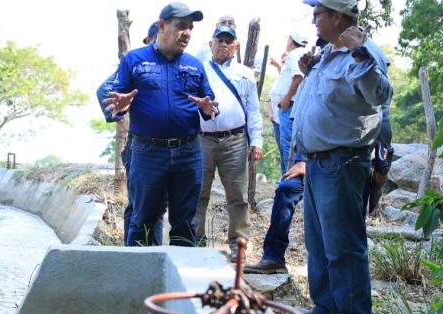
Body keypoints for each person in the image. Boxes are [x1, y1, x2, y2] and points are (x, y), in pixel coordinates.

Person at [293, 0, 392, 314]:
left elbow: (380, 94)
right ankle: (326, 308)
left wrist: (359, 53)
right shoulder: (327, 53)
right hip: (318, 161)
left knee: (343, 243)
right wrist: (309, 71)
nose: (313, 21)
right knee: (318, 241)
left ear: (336, 16)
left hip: (342, 161)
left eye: (317, 14)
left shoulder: (363, 50)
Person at [105, 2, 218, 247]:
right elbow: (117, 101)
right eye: (181, 26)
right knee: (143, 219)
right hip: (148, 152)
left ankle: (179, 269)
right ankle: (142, 270)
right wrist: (122, 106)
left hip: (189, 152)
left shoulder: (195, 65)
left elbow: (209, 102)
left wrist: (209, 109)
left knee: (185, 223)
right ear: (161, 26)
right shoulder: (134, 60)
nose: (187, 33)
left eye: (190, 28)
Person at [194, 25, 263, 261]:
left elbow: (253, 110)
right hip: (202, 140)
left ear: (236, 46)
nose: (223, 44)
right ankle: (195, 244)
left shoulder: (245, 73)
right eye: (219, 40)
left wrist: (257, 141)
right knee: (198, 193)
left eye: (228, 41)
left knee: (237, 196)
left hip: (234, 140)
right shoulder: (199, 70)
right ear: (211, 44)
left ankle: (239, 245)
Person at [245, 32, 309, 274]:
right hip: (305, 147)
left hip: (327, 161)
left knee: (290, 184)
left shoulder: (298, 54)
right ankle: (273, 256)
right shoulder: (312, 60)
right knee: (286, 187)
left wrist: (285, 101)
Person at [95, 23, 163, 245]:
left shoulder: (171, 65)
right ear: (150, 39)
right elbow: (104, 90)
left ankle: (152, 251)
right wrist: (122, 120)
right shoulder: (138, 63)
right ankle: (132, 251)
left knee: (156, 203)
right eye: (157, 37)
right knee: (137, 203)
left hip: (162, 145)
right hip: (139, 143)